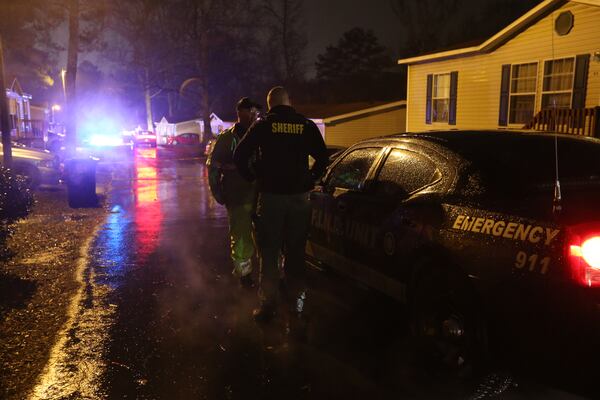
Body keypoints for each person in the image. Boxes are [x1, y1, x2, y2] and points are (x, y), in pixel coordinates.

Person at [234, 86, 328, 322]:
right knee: (296, 251)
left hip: (271, 198)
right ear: (289, 102)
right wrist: (310, 178)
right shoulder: (305, 125)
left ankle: (268, 306)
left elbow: (239, 155)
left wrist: (253, 175)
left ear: (270, 104)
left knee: (269, 251)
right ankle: (297, 305)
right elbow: (323, 158)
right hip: (299, 198)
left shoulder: (263, 125)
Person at [207, 97, 261, 286]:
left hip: (261, 196)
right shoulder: (227, 138)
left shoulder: (261, 134)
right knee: (241, 236)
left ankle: (271, 273)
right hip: (237, 196)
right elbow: (213, 167)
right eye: (252, 111)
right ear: (241, 113)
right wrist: (218, 193)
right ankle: (244, 275)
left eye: (257, 112)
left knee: (265, 235)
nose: (255, 115)